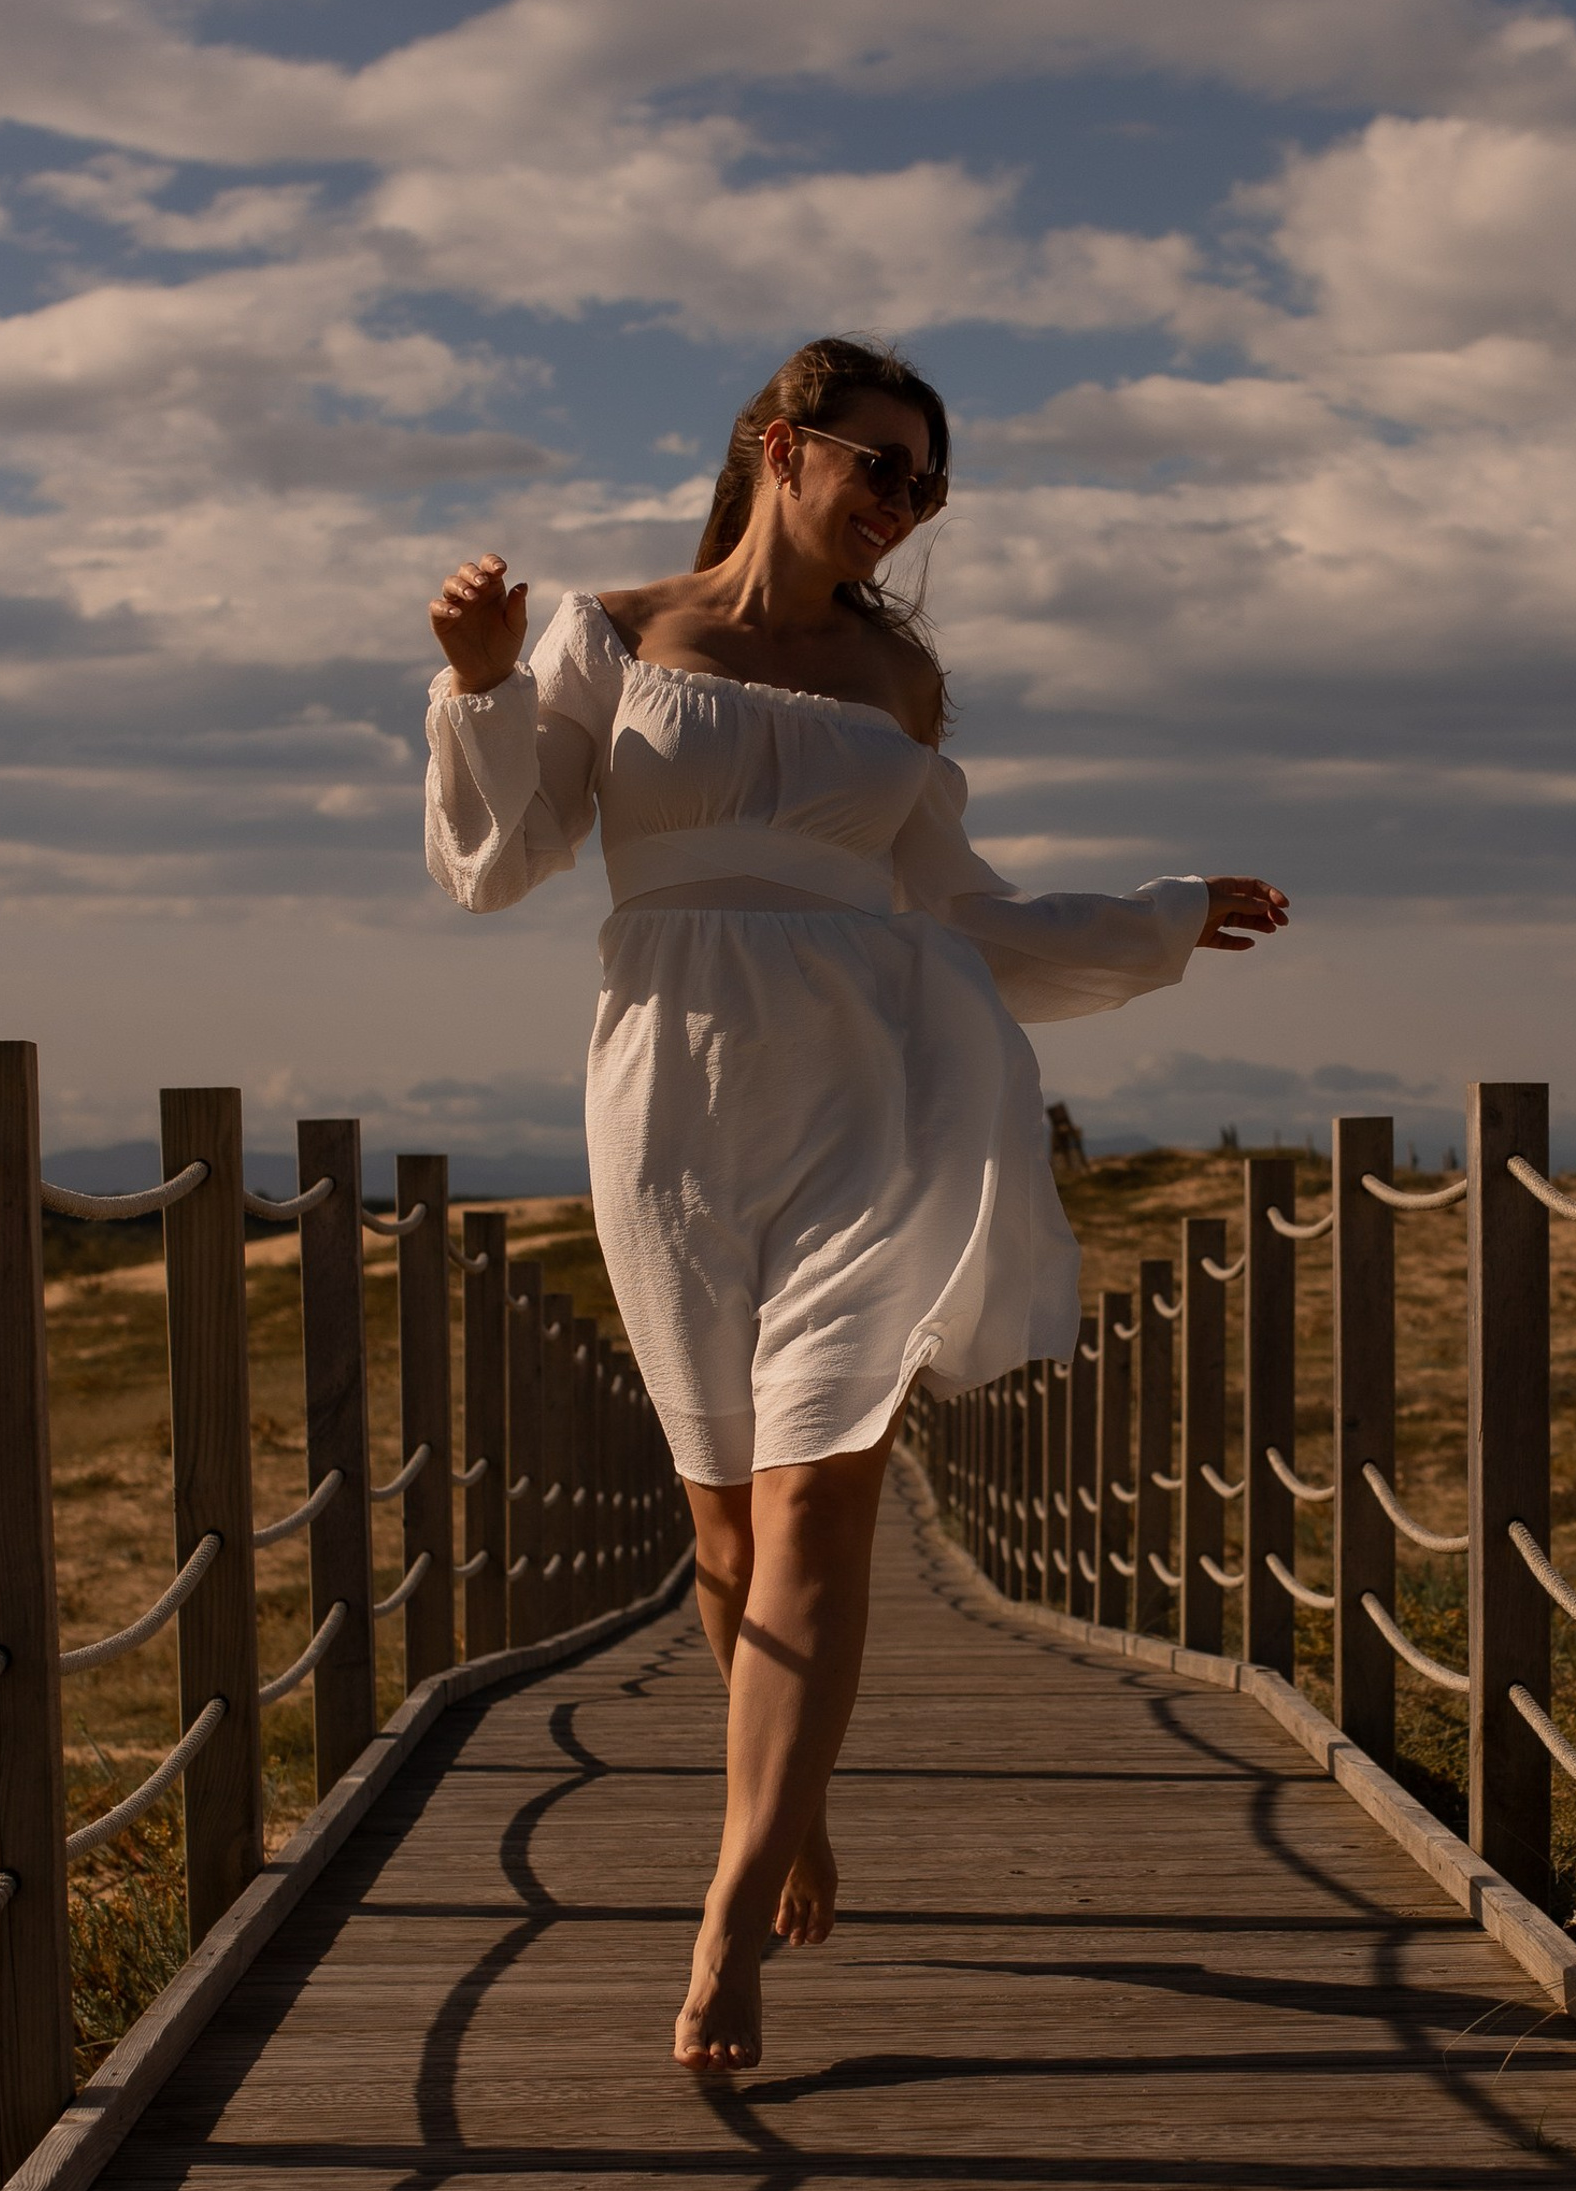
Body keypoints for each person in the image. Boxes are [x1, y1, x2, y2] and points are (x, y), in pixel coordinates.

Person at [422, 337, 1287, 2073]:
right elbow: (495, 860)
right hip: (668, 1100)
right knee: (724, 1536)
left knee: (821, 1506)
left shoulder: (899, 692)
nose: (904, 506)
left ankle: (727, 1916)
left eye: (928, 485)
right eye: (880, 467)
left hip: (875, 1099)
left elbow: (951, 915)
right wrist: (482, 685)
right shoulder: (609, 628)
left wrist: (1154, 919)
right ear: (777, 445)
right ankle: (789, 1795)